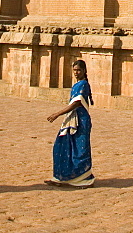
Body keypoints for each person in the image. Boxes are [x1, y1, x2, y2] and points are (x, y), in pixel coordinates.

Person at [45, 59, 95, 188]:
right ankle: (62, 177)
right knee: (62, 146)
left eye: (78, 70)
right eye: (74, 70)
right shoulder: (77, 85)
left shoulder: (83, 85)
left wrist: (57, 114)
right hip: (72, 119)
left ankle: (83, 179)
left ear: (84, 71)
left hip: (81, 121)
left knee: (80, 149)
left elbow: (77, 103)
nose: (76, 73)